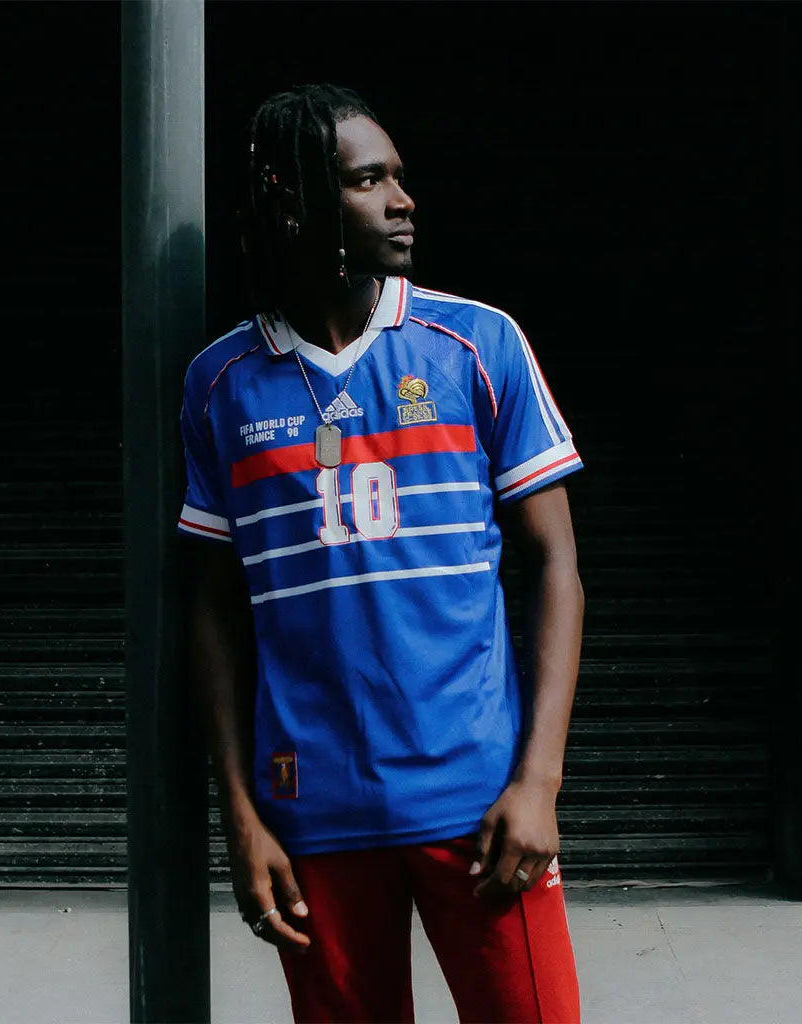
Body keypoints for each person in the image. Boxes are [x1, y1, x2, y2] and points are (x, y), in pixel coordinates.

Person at [178, 83, 584, 1024]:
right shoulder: (221, 384)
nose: (403, 200)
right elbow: (212, 606)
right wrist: (241, 820)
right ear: (295, 205)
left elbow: (556, 565)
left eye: (398, 176)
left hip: (481, 808)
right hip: (313, 815)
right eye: (369, 181)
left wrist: (539, 783)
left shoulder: (475, 344)